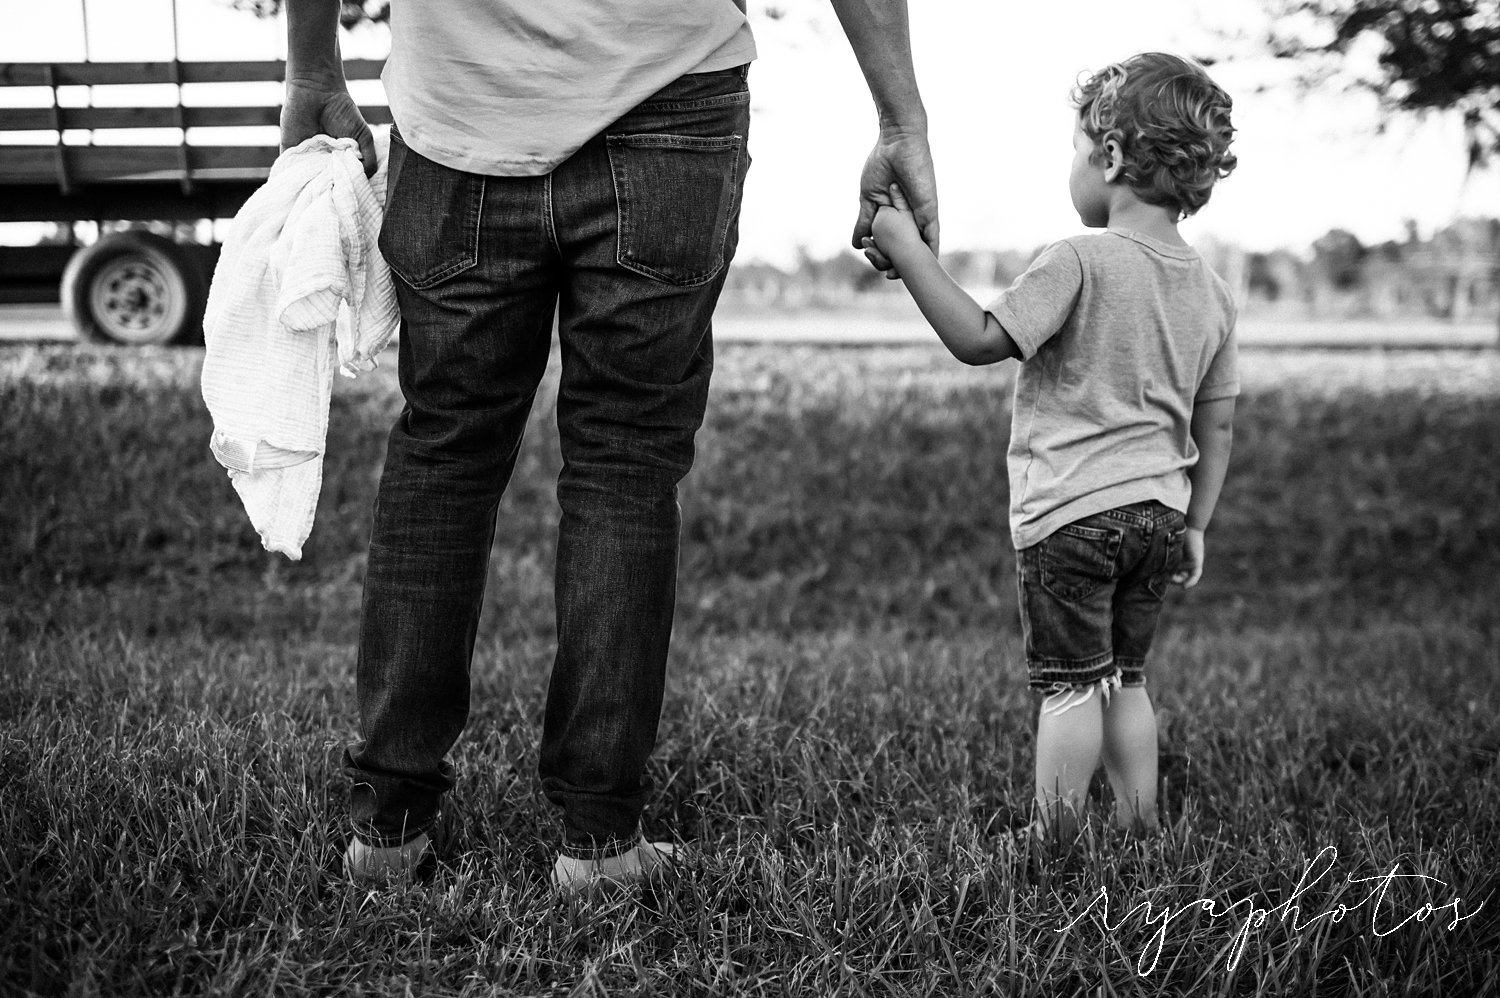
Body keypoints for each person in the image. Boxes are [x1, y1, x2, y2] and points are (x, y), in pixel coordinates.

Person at [279, 0, 939, 889]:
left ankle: (387, 830)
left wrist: (314, 70)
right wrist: (900, 116)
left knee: (443, 457)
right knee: (625, 466)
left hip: (463, 107)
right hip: (667, 101)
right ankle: (597, 841)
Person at [863, 52, 1238, 840]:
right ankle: (1141, 823)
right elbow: (1217, 423)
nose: (1075, 165)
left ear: (1108, 157)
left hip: (1072, 516)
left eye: (1077, 148)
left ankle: (1054, 834)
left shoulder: (1078, 258)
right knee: (1127, 678)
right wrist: (1196, 523)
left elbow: (980, 339)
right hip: (1159, 520)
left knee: (1071, 687)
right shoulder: (1211, 290)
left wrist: (908, 250)